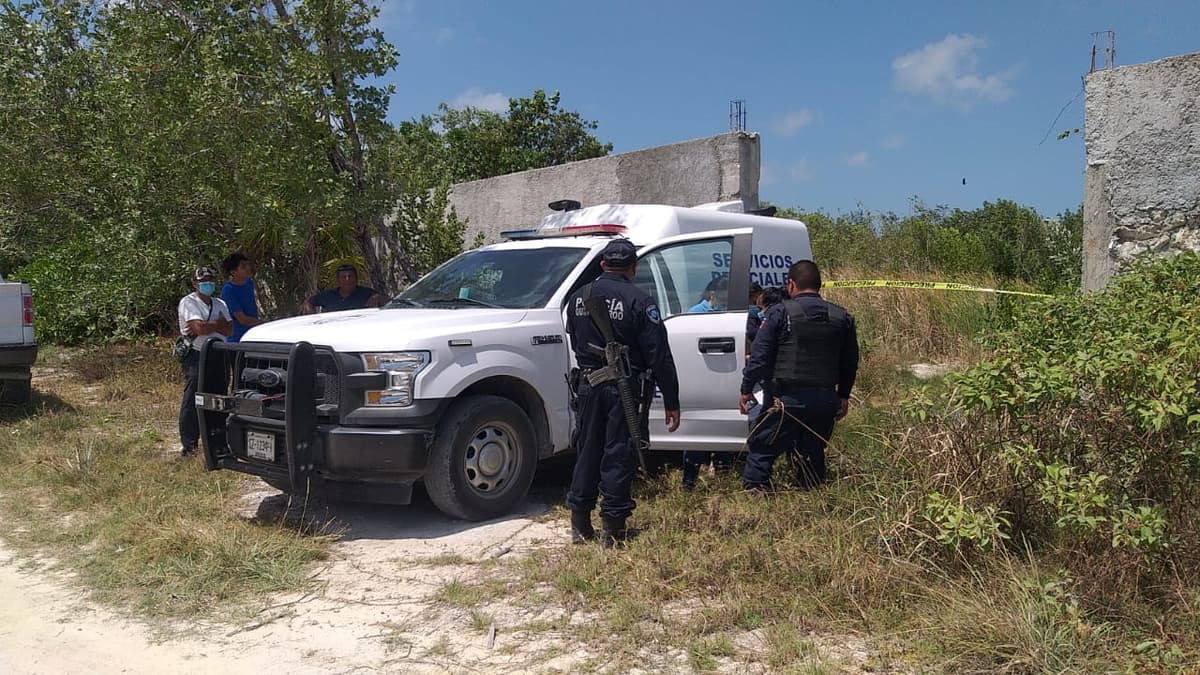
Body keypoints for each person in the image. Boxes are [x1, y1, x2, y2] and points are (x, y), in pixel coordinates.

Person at [565, 238, 681, 546]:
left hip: (589, 385)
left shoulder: (578, 297)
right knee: (619, 453)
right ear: (633, 267)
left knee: (587, 450)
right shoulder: (641, 301)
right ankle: (612, 529)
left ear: (603, 264)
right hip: (624, 390)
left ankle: (579, 522)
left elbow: (575, 338)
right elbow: (659, 356)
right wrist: (672, 400)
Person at [739, 261, 859, 491]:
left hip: (786, 399)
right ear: (819, 285)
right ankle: (810, 494)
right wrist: (843, 395)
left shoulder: (780, 313)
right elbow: (849, 362)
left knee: (763, 445)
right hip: (825, 398)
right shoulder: (842, 317)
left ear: (791, 284)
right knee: (813, 449)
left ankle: (756, 493)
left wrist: (746, 389)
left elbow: (760, 357)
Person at [178, 266, 232, 457]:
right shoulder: (188, 302)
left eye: (210, 280)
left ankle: (218, 441)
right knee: (193, 396)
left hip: (219, 354)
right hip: (197, 354)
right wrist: (216, 325)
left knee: (218, 398)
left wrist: (210, 326)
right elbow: (198, 328)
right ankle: (190, 443)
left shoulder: (220, 304)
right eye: (203, 281)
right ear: (195, 283)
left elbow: (229, 330)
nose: (207, 284)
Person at [302, 264, 388, 313]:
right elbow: (308, 302)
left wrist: (379, 298)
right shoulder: (328, 295)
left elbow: (391, 302)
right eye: (343, 277)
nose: (347, 279)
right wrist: (314, 318)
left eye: (350, 276)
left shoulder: (366, 293)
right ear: (338, 280)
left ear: (356, 278)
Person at [220, 252, 263, 342]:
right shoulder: (228, 290)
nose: (248, 268)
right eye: (243, 267)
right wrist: (264, 323)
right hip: (237, 340)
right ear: (233, 272)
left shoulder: (249, 283)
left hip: (252, 335)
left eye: (247, 265)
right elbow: (242, 319)